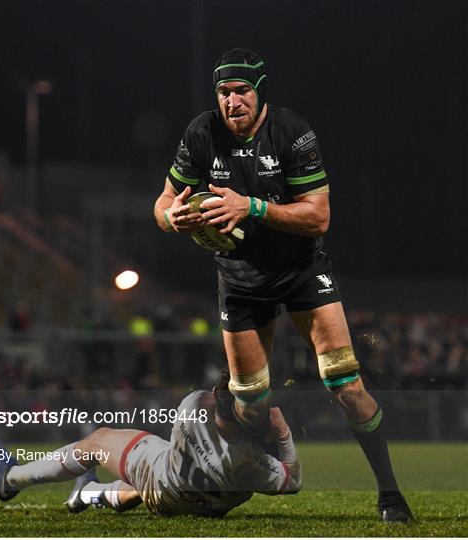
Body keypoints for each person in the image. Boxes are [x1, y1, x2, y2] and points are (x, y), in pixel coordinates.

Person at [153, 48, 413, 523]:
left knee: (346, 384)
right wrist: (172, 217)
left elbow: (319, 216)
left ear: (261, 91)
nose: (232, 101)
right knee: (251, 403)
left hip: (301, 273)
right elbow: (164, 202)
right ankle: (245, 476)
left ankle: (390, 494)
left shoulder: (292, 131)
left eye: (242, 91)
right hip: (239, 281)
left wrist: (251, 207)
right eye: (224, 93)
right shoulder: (200, 133)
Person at [0, 369, 302, 517]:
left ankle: (9, 479)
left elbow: (215, 396)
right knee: (150, 479)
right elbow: (292, 480)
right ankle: (87, 493)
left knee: (98, 441)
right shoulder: (252, 464)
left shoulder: (192, 404)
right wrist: (282, 433)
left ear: (217, 397)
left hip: (163, 481)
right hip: (204, 505)